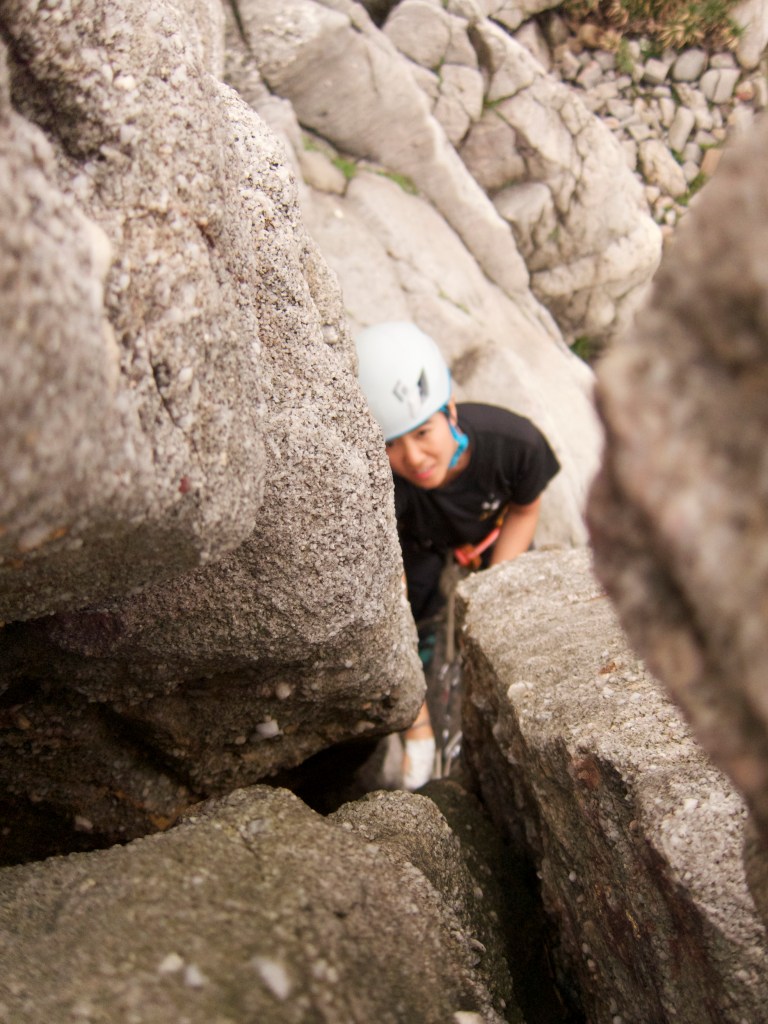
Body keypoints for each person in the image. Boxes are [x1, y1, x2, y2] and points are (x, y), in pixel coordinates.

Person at [355, 321, 561, 789]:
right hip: (419, 546)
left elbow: (525, 510)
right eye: (390, 444)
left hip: (486, 532)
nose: (414, 458)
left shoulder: (513, 445)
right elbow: (393, 619)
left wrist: (493, 589)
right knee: (421, 620)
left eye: (423, 432)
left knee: (510, 627)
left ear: (450, 410)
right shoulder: (388, 492)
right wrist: (419, 726)